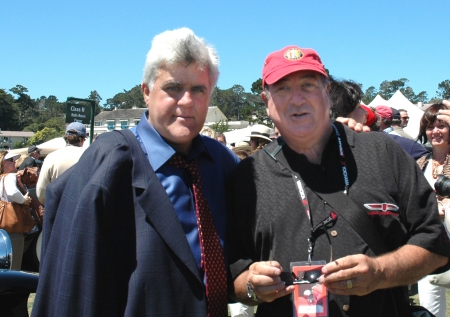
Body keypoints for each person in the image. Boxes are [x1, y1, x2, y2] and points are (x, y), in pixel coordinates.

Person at [227, 45, 450, 316]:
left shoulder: (383, 153)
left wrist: (381, 272)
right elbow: (233, 274)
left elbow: (436, 246)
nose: (297, 99)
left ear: (328, 93)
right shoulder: (246, 178)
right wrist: (251, 285)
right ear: (266, 101)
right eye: (282, 88)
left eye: (308, 85)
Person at [32, 27, 239, 317]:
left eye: (198, 89)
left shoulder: (221, 163)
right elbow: (74, 286)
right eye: (173, 87)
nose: (187, 101)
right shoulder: (110, 162)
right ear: (146, 91)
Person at [416, 103, 450, 317]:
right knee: (429, 303)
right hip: (430, 242)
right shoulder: (420, 162)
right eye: (429, 126)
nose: (435, 131)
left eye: (442, 125)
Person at [36, 122, 87, 205]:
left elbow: (41, 190)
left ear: (66, 138)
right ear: (83, 139)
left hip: (56, 206)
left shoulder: (51, 157)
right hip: (80, 207)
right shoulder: (89, 156)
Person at [0, 151, 32, 270]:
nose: (14, 162)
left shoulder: (1, 178)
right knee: (15, 260)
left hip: (2, 224)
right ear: (4, 163)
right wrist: (24, 200)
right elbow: (12, 192)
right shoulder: (10, 176)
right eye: (11, 160)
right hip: (14, 224)